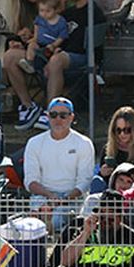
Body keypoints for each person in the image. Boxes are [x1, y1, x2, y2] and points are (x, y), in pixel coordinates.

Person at [23, 98, 95, 229]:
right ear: (47, 117)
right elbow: (30, 181)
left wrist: (65, 199)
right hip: (43, 196)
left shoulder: (84, 143)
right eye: (53, 115)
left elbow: (84, 181)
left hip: (73, 198)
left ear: (71, 117)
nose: (58, 119)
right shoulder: (34, 143)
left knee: (56, 221)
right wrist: (50, 197)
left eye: (63, 115)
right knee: (33, 225)